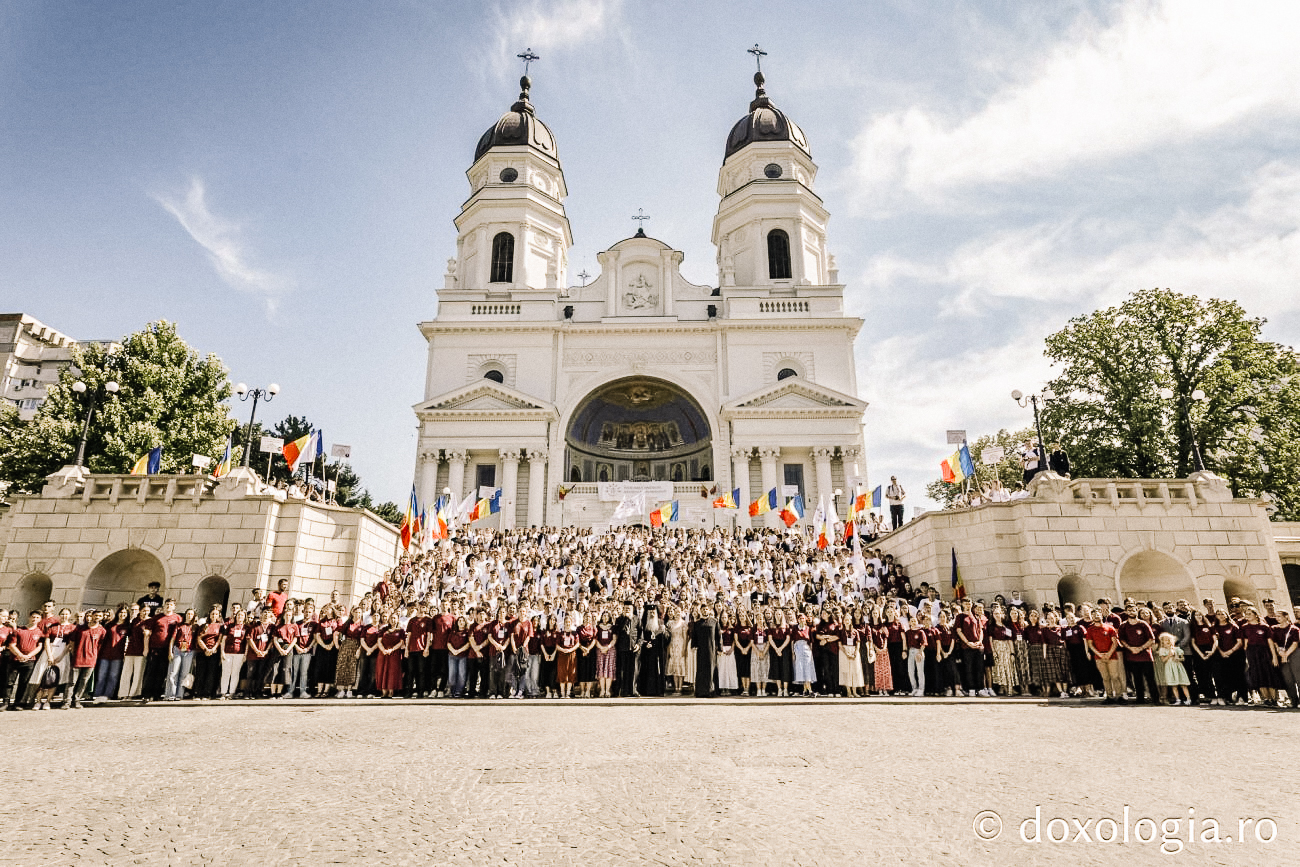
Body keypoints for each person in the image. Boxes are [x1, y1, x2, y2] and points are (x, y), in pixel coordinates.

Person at [692, 605, 720, 698]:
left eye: (706, 609)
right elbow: (694, 636)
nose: (705, 610)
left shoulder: (714, 622)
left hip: (711, 650)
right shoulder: (697, 623)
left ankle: (710, 691)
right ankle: (700, 691)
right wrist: (693, 645)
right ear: (700, 611)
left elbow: (718, 636)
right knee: (701, 669)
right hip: (701, 650)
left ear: (709, 610)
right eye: (703, 609)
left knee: (711, 669)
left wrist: (719, 648)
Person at [1155, 632, 1191, 706]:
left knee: (1183, 684)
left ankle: (1188, 699)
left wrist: (1178, 658)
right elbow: (1163, 660)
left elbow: (1183, 658)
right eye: (1165, 640)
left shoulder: (1177, 649)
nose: (1167, 641)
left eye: (1169, 640)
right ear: (1162, 642)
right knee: (1174, 685)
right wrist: (1169, 655)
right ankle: (1178, 699)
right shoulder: (1162, 650)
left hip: (1178, 667)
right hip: (1169, 667)